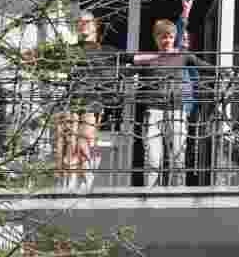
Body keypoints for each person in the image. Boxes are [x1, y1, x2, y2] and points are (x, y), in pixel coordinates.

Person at [133, 12, 214, 188]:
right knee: (153, 159)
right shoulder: (149, 59)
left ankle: (178, 195)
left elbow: (207, 68)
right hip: (153, 110)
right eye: (162, 36)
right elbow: (127, 64)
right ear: (156, 38)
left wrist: (228, 72)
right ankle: (151, 194)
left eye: (170, 36)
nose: (166, 40)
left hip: (177, 109)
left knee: (178, 156)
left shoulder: (183, 57)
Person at [48, 12, 119, 191]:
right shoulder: (71, 50)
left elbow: (129, 64)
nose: (83, 25)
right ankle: (66, 187)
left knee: (84, 143)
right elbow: (50, 63)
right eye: (79, 22)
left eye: (87, 22)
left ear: (96, 25)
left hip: (93, 101)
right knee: (68, 144)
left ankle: (84, 187)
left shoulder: (107, 51)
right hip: (72, 100)